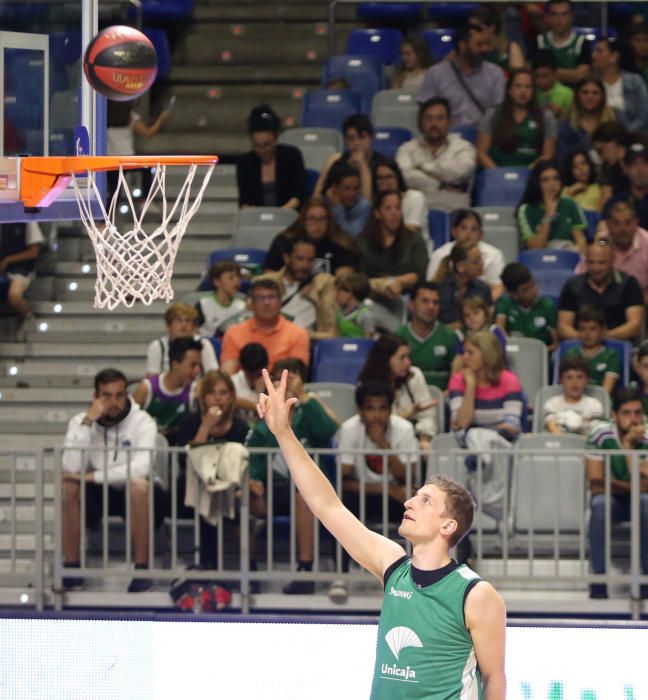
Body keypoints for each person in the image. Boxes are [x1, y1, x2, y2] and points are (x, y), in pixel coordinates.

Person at [256, 370, 507, 698]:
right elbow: (327, 506)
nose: (409, 501)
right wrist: (283, 433)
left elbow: (495, 679)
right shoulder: (393, 566)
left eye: (425, 500)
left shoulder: (476, 594)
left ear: (448, 526)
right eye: (415, 495)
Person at [62, 368, 162, 592]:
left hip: (136, 492)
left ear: (127, 395)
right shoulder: (80, 422)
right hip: (97, 493)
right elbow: (71, 467)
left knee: (139, 485)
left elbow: (141, 467)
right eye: (106, 396)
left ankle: (141, 569)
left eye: (119, 395)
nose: (114, 402)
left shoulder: (143, 421)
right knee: (68, 485)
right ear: (95, 397)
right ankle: (71, 567)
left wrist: (91, 477)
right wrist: (88, 422)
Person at [247, 358, 339, 595]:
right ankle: (249, 572)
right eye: (281, 378)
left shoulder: (308, 413)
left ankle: (305, 570)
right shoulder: (264, 420)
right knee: (245, 497)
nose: (287, 383)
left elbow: (326, 431)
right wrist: (254, 481)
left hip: (310, 487)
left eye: (293, 378)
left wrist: (304, 398)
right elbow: (255, 456)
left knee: (303, 498)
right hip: (275, 487)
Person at [175, 370, 250, 569]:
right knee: (208, 494)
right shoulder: (190, 421)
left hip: (230, 487)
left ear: (232, 397)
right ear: (203, 398)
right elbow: (187, 461)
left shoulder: (240, 427)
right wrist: (206, 426)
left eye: (224, 393)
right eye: (212, 393)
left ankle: (244, 568)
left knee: (228, 497)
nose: (218, 398)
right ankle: (209, 565)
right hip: (193, 487)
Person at [448, 330, 524, 519]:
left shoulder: (509, 380)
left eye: (470, 353)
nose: (464, 357)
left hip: (501, 445)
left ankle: (483, 460)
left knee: (478, 436)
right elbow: (460, 424)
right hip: (467, 444)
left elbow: (512, 426)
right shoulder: (459, 380)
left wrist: (480, 430)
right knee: (473, 436)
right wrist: (471, 386)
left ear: (487, 354)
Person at [586, 385, 648, 599]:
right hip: (613, 501)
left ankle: (646, 578)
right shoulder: (601, 432)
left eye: (638, 413)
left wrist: (630, 445)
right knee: (600, 503)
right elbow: (595, 483)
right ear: (614, 415)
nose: (634, 419)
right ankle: (599, 580)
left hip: (639, 501)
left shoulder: (646, 435)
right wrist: (632, 485)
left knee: (644, 501)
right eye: (627, 413)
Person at [418, 23, 506, 129]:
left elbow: (499, 112)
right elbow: (425, 111)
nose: (484, 49)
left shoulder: (495, 74)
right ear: (462, 45)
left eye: (486, 44)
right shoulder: (435, 74)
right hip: (446, 138)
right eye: (479, 44)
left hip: (483, 136)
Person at [396, 97, 476, 212]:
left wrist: (422, 166)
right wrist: (441, 184)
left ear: (449, 122)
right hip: (418, 212)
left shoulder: (463, 147)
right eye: (429, 118)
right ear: (420, 122)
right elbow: (405, 176)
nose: (434, 123)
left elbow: (460, 171)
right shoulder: (407, 149)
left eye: (440, 118)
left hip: (456, 213)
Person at [358, 336, 438, 449]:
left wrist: (424, 439)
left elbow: (428, 417)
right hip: (375, 444)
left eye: (408, 357)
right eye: (402, 357)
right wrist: (409, 413)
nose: (408, 362)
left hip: (413, 442)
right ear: (386, 359)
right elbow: (374, 424)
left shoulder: (414, 376)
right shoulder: (366, 385)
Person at [558, 239, 644, 342]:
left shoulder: (629, 284)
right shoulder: (572, 285)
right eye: (591, 262)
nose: (596, 268)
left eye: (601, 263)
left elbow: (635, 325)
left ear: (612, 260)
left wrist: (603, 337)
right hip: (580, 347)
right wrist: (587, 339)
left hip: (619, 346)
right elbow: (563, 327)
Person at [220, 278, 310, 374]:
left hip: (282, 387)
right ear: (252, 304)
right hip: (245, 387)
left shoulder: (298, 334)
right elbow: (228, 375)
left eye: (271, 297)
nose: (266, 303)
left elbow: (296, 376)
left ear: (280, 302)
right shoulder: (233, 333)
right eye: (260, 298)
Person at [257, 236, 336, 339]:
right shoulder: (265, 281)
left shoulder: (322, 283)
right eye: (300, 259)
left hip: (305, 340)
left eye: (310, 260)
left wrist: (313, 294)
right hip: (269, 337)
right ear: (287, 258)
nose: (305, 265)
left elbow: (331, 326)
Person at [477, 68, 557, 168]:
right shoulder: (492, 114)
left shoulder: (546, 117)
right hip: (497, 172)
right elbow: (481, 153)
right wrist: (498, 173)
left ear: (534, 91)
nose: (523, 91)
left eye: (528, 87)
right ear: (509, 90)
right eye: (518, 86)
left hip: (531, 173)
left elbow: (547, 155)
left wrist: (529, 172)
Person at [357, 190, 429, 298]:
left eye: (398, 207)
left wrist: (390, 282)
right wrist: (381, 285)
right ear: (377, 213)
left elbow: (418, 275)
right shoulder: (363, 242)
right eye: (388, 208)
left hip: (407, 296)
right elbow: (361, 279)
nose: (394, 213)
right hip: (372, 296)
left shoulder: (413, 238)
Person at [263, 195, 358, 277]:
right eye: (312, 219)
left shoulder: (340, 243)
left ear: (329, 222)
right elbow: (269, 275)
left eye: (322, 219)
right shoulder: (284, 241)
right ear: (303, 220)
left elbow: (345, 280)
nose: (317, 224)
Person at [133, 337, 202, 444]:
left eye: (199, 365)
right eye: (193, 365)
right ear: (175, 364)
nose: (197, 370)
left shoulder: (196, 390)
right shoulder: (147, 389)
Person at [236, 104, 305, 209]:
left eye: (266, 145)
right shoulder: (245, 163)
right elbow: (244, 201)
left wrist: (280, 214)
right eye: (257, 146)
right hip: (257, 220)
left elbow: (299, 194)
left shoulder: (292, 156)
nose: (262, 150)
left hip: (289, 214)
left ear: (275, 138)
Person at [426, 209, 505, 300]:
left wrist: (481, 307)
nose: (468, 233)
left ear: (481, 234)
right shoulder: (439, 254)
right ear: (454, 231)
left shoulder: (494, 254)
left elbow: (497, 288)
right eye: (463, 228)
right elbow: (430, 288)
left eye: (474, 229)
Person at [395, 282, 459, 390]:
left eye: (435, 302)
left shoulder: (450, 336)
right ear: (411, 305)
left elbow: (458, 376)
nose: (431, 306)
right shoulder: (399, 336)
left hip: (443, 399)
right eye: (425, 301)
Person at [516, 159, 588, 252]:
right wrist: (548, 215)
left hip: (567, 255)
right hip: (539, 260)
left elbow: (581, 241)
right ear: (536, 183)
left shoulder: (570, 204)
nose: (552, 184)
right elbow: (535, 248)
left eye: (556, 178)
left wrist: (573, 251)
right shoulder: (526, 209)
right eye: (545, 180)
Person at [316, 113, 383, 202]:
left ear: (371, 138)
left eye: (362, 137)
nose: (356, 143)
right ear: (345, 141)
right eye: (351, 138)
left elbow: (367, 204)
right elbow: (317, 196)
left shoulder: (381, 164)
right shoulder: (335, 161)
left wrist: (362, 165)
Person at [556, 76, 620, 162]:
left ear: (603, 96)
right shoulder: (565, 125)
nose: (590, 96)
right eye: (585, 92)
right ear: (577, 96)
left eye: (595, 93)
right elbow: (562, 159)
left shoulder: (615, 119)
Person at [594, 200, 648, 302]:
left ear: (636, 223)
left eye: (627, 222)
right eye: (616, 223)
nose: (622, 228)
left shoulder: (646, 243)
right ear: (608, 224)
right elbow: (582, 279)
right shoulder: (600, 242)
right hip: (602, 303)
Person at [591, 37, 648, 133]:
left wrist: (625, 134)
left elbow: (644, 115)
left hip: (632, 136)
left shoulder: (635, 82)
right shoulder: (590, 82)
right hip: (597, 136)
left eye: (599, 51)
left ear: (614, 56)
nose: (593, 55)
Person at [145, 303, 218, 377]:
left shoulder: (204, 344)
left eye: (188, 320)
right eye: (178, 320)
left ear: (193, 326)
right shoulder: (157, 347)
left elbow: (213, 377)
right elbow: (152, 381)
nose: (184, 324)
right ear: (168, 326)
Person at [495, 262, 557, 348]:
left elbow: (556, 344)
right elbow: (499, 329)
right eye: (526, 289)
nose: (533, 290)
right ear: (513, 294)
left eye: (533, 284)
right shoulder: (504, 303)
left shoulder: (547, 305)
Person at [433, 240, 493, 328]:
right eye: (476, 261)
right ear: (461, 267)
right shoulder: (439, 289)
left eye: (481, 258)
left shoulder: (483, 289)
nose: (482, 264)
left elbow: (488, 321)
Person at [564, 305, 621, 395]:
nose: (587, 334)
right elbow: (566, 386)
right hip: (575, 400)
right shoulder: (571, 353)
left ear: (602, 331)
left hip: (601, 402)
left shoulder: (611, 355)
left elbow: (606, 391)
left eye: (592, 329)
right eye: (583, 329)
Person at [535, 0, 591, 86]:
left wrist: (548, 73)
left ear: (571, 17)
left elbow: (580, 75)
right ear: (548, 17)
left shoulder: (581, 43)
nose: (559, 19)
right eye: (554, 14)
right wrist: (569, 74)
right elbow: (531, 72)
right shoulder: (539, 41)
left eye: (564, 14)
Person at [544, 355, 604, 434]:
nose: (574, 382)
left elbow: (594, 432)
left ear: (587, 380)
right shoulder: (552, 403)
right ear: (561, 380)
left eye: (580, 377)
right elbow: (552, 427)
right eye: (569, 377)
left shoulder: (594, 405)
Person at [0, 222, 45, 327]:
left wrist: (8, 260)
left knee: (14, 296)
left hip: (21, 269)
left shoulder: (28, 222)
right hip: (3, 269)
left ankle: (29, 318)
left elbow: (34, 252)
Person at [371, 158, 427, 238]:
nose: (384, 182)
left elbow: (411, 231)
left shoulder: (414, 197)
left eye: (388, 177)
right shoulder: (376, 202)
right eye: (379, 178)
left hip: (413, 247)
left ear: (398, 177)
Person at [452, 296, 508, 374]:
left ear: (485, 314)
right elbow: (459, 361)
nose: (472, 317)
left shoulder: (495, 331)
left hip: (495, 373)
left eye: (476, 313)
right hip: (469, 373)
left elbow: (498, 358)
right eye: (467, 315)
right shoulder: (461, 335)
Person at [604, 142, 648, 230]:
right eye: (634, 164)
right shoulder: (615, 202)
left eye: (645, 163)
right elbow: (602, 238)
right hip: (623, 243)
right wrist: (602, 243)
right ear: (625, 169)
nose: (640, 169)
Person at [195, 261, 246, 337]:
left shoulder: (242, 306)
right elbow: (194, 330)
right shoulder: (203, 304)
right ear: (217, 282)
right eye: (231, 278)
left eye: (238, 277)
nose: (237, 281)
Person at [322, 161, 372, 237]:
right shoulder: (323, 204)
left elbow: (349, 237)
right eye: (347, 189)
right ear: (335, 188)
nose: (352, 194)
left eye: (356, 188)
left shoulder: (363, 207)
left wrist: (338, 208)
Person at [231, 342, 268, 421]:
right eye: (251, 375)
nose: (254, 379)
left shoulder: (273, 384)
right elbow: (230, 400)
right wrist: (256, 405)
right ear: (242, 367)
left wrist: (260, 393)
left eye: (258, 375)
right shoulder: (232, 383)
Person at [532, 49, 574, 119]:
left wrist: (560, 113)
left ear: (555, 73)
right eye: (536, 76)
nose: (540, 80)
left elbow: (574, 120)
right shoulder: (531, 92)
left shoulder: (567, 93)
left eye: (545, 75)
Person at [334, 272, 375, 338]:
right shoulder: (339, 312)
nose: (336, 294)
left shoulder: (365, 315)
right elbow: (335, 335)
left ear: (349, 294)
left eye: (340, 290)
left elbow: (368, 341)